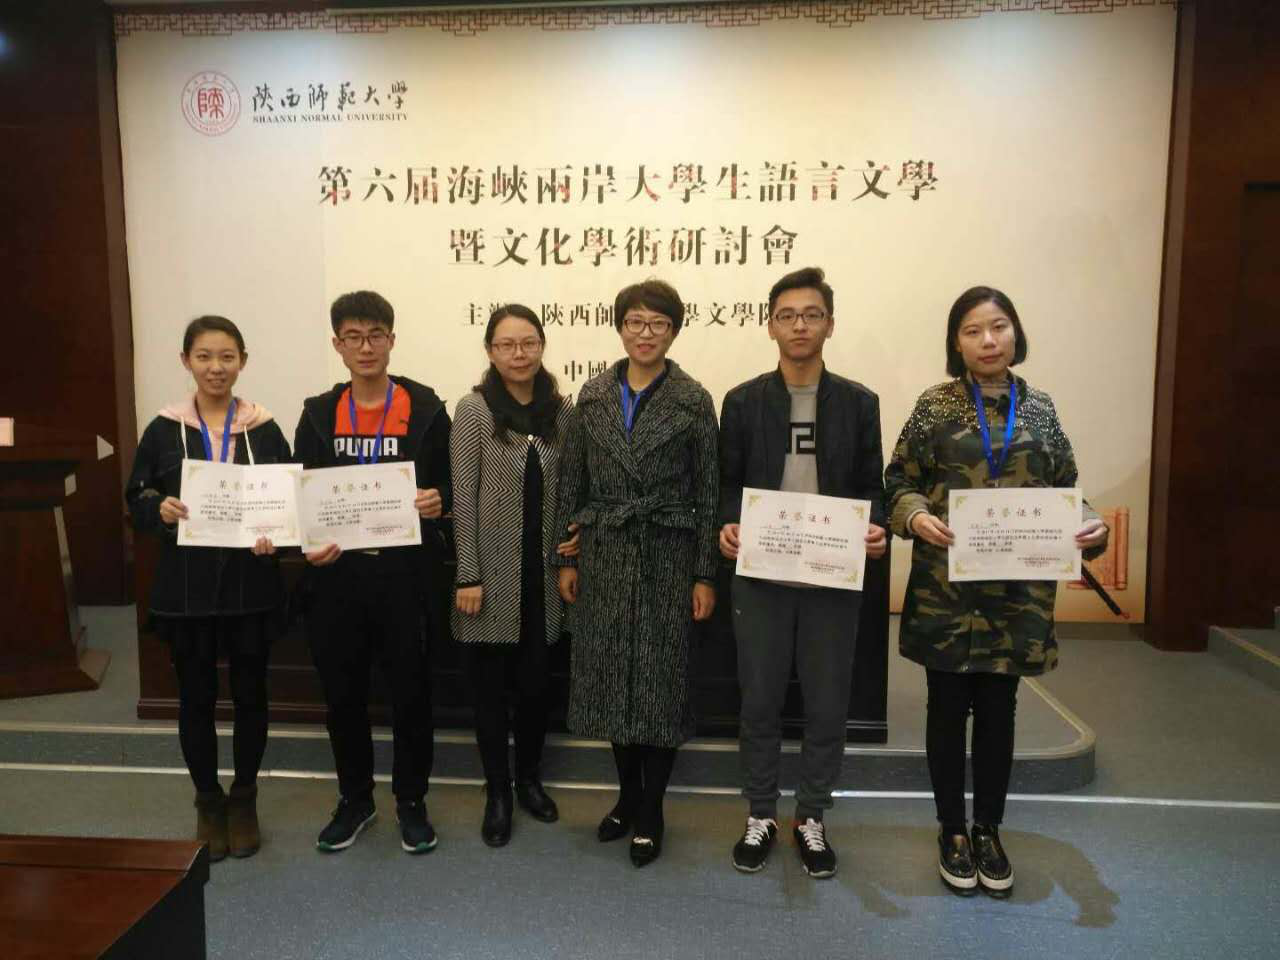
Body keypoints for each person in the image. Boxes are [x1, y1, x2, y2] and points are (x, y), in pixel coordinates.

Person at [884, 285, 1108, 897]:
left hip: (1016, 596)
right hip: (946, 593)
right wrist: (913, 515)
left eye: (999, 326)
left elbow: (1067, 489)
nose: (988, 340)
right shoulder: (934, 406)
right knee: (946, 709)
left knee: (999, 712)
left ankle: (988, 829)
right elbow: (897, 480)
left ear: (1016, 333)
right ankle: (951, 830)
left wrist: (1091, 524)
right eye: (973, 330)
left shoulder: (1041, 409)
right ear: (956, 343)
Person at [717, 266, 887, 879]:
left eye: (812, 315)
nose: (799, 326)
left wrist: (877, 528)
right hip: (761, 576)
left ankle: (812, 814)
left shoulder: (860, 403)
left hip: (831, 578)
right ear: (770, 325)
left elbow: (872, 486)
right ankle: (761, 812)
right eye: (787, 315)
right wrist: (726, 524)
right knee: (760, 701)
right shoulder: (743, 401)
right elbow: (726, 483)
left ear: (830, 325)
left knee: (826, 704)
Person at [551, 279, 719, 868]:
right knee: (610, 683)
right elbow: (571, 482)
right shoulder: (593, 394)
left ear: (673, 332)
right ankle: (626, 796)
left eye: (658, 324)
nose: (645, 334)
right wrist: (567, 559)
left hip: (669, 557)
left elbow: (708, 492)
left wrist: (704, 574)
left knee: (659, 684)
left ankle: (652, 809)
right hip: (605, 556)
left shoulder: (693, 399)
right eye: (635, 322)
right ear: (620, 327)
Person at [125, 315, 291, 862]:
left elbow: (287, 497)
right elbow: (136, 496)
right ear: (186, 361)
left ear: (242, 361)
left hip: (250, 583)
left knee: (251, 695)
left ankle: (244, 798)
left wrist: (276, 534)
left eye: (226, 357)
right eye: (204, 356)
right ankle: (207, 800)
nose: (216, 367)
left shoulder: (264, 429)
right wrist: (158, 509)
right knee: (195, 698)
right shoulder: (162, 429)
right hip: (187, 587)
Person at [294, 290, 452, 855]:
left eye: (375, 335)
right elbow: (302, 492)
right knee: (344, 696)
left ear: (392, 340)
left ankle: (411, 801)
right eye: (354, 337)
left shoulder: (426, 408)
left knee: (411, 695)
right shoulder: (318, 413)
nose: (366, 347)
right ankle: (355, 799)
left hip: (405, 578)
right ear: (337, 345)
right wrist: (309, 543)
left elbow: (450, 485)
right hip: (338, 580)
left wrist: (438, 501)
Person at [450, 304, 579, 847]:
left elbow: (572, 486)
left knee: (535, 690)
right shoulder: (475, 409)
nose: (518, 354)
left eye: (528, 343)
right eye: (506, 344)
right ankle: (497, 792)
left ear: (542, 346)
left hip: (543, 579)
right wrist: (468, 573)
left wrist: (573, 543)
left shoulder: (563, 410)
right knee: (489, 694)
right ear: (490, 351)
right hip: (489, 578)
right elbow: (463, 495)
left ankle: (528, 780)